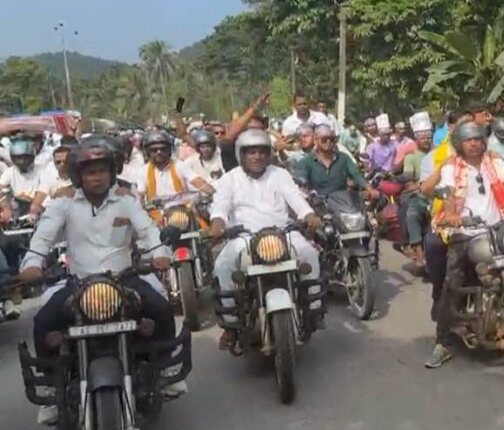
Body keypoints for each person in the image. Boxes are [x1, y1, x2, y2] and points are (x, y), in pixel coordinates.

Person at [18, 139, 184, 424]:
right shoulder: (63, 202)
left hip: (125, 279)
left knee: (162, 308)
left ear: (112, 171)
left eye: (102, 170)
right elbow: (43, 237)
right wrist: (32, 264)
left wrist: (160, 254)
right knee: (43, 321)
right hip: (78, 282)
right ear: (78, 176)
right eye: (89, 172)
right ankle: (50, 385)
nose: (96, 177)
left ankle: (166, 373)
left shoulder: (126, 199)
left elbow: (148, 231)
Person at [423, 121, 504, 368]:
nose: (474, 143)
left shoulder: (495, 162)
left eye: (478, 139)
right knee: (453, 282)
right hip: (466, 231)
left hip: (499, 228)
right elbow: (447, 195)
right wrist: (452, 215)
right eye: (469, 140)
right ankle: (442, 343)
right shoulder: (451, 168)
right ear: (460, 144)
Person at [209, 129, 325, 349]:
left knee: (310, 253)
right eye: (251, 152)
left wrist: (309, 215)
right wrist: (218, 223)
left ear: (268, 154)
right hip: (244, 237)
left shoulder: (279, 174)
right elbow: (220, 205)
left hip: (283, 232)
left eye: (262, 151)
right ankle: (231, 326)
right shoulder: (229, 179)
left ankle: (313, 311)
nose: (257, 156)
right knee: (223, 265)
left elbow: (295, 198)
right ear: (240, 155)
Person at [133, 131, 215, 208]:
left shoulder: (180, 165)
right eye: (154, 150)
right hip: (155, 214)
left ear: (169, 150)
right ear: (148, 152)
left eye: (163, 149)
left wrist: (215, 194)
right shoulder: (142, 171)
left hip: (182, 210)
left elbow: (198, 181)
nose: (159, 152)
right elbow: (141, 195)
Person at [294, 124, 374, 198]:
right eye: (324, 139)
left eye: (331, 139)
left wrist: (369, 189)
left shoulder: (343, 158)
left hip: (342, 203)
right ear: (315, 141)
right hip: (318, 206)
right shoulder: (305, 162)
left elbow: (357, 176)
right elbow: (300, 185)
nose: (328, 142)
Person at [398, 114, 435, 265]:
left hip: (438, 191)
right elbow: (407, 178)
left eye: (428, 137)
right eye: (423, 138)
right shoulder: (411, 156)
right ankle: (417, 249)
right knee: (412, 212)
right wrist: (416, 184)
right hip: (419, 193)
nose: (426, 140)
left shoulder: (438, 153)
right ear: (416, 139)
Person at [0, 139, 47, 222]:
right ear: (13, 158)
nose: (22, 161)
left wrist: (36, 204)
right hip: (17, 209)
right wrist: (5, 206)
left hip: (38, 207)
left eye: (26, 158)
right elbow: (1, 188)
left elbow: (45, 189)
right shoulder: (10, 172)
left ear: (32, 157)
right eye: (19, 158)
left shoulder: (41, 171)